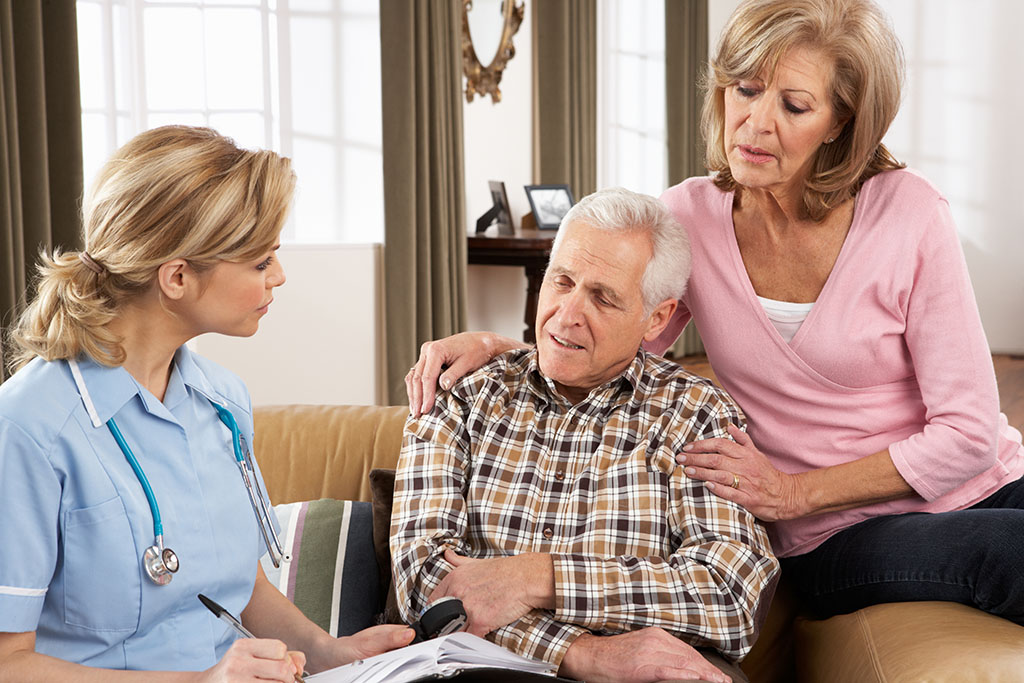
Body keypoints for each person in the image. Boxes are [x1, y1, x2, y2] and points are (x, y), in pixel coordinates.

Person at [406, 0, 1024, 627]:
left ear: (840, 123)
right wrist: (499, 345)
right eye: (746, 90)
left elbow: (970, 434)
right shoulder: (688, 219)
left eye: (794, 105)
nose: (755, 123)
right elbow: (621, 345)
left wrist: (791, 490)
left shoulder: (911, 212)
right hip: (834, 534)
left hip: (986, 482)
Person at [0, 126, 413, 681]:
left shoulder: (222, 402)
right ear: (177, 277)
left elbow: (238, 587)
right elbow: (8, 662)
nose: (280, 276)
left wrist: (328, 652)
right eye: (261, 262)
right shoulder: (29, 427)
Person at [392, 188, 780, 683]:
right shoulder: (461, 393)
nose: (567, 314)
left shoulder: (694, 414)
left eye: (603, 298)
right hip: (476, 671)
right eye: (563, 281)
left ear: (657, 317)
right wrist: (581, 654)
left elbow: (730, 594)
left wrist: (538, 579)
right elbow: (424, 585)